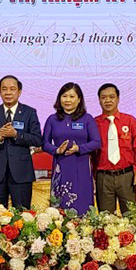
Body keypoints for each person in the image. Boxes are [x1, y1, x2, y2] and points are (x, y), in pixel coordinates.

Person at [0, 75, 43, 209]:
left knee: (22, 215)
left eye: (12, 89)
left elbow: (38, 139)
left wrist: (16, 135)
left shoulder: (29, 112)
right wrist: (0, 138)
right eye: (4, 89)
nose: (8, 92)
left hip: (21, 172)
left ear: (19, 92)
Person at [43, 82, 101, 215]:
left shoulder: (87, 119)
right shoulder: (52, 119)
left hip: (81, 168)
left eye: (72, 96)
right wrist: (56, 150)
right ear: (59, 99)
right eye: (64, 96)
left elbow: (96, 142)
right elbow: (45, 143)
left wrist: (78, 148)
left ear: (79, 99)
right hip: (61, 168)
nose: (67, 100)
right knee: (60, 209)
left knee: (82, 206)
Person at [94, 83, 136, 214]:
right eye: (103, 97)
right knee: (106, 220)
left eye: (111, 97)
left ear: (118, 99)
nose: (108, 100)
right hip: (103, 177)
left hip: (126, 176)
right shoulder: (94, 123)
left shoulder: (130, 121)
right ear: (99, 100)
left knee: (131, 217)